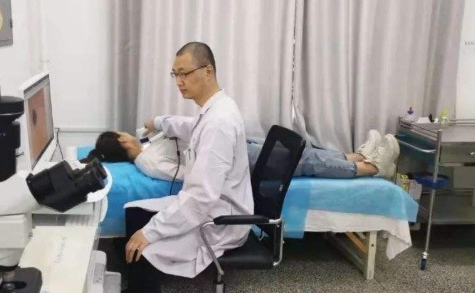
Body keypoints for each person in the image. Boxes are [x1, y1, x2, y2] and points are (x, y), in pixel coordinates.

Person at [116, 42, 254, 293]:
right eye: (174, 75)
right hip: (211, 207)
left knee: (144, 246)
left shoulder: (220, 122)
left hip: (221, 220)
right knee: (134, 213)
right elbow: (190, 127)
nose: (179, 82)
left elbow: (201, 198)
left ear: (208, 71)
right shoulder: (214, 109)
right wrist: (159, 121)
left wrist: (152, 232)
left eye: (184, 74)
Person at [84, 128, 400, 182]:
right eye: (123, 134)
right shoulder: (149, 162)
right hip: (229, 162)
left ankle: (354, 157)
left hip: (225, 149)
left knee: (300, 152)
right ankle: (373, 168)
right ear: (122, 142)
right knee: (302, 162)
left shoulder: (146, 148)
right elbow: (188, 175)